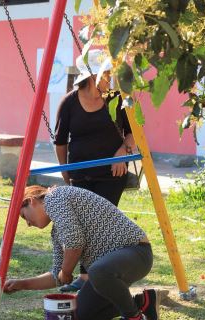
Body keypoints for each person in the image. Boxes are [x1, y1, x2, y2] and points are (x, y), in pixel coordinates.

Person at [4, 185, 160, 320]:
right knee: (80, 316)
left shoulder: (54, 198)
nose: (28, 224)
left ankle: (133, 318)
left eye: (24, 216)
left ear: (31, 201)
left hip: (136, 252)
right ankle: (143, 302)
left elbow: (75, 242)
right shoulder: (57, 229)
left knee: (97, 271)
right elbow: (57, 276)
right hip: (108, 269)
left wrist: (66, 272)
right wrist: (22, 284)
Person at [53, 49, 135, 291]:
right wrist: (66, 173)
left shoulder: (117, 98)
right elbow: (60, 141)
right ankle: (86, 278)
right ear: (91, 76)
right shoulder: (69, 102)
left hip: (112, 175)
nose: (110, 77)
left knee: (100, 226)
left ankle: (93, 277)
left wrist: (122, 151)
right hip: (80, 173)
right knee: (83, 226)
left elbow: (133, 133)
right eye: (106, 73)